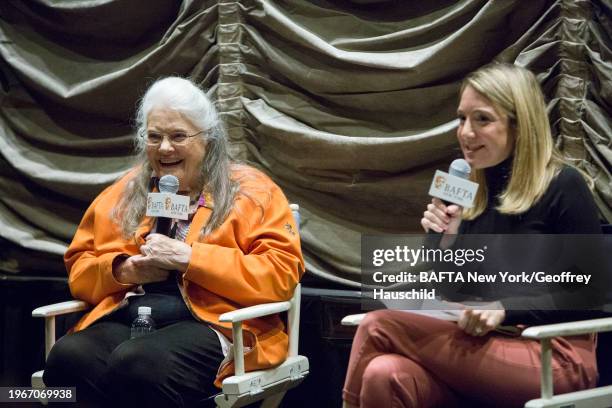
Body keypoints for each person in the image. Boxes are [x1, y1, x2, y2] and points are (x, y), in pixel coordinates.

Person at [342, 63, 603, 407]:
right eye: (461, 119)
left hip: (551, 353)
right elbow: (451, 291)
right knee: (383, 372)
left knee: (378, 325)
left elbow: (588, 294)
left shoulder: (563, 185)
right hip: (481, 348)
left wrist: (505, 309)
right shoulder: (466, 187)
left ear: (520, 125)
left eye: (482, 119)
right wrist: (445, 241)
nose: (465, 133)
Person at [43, 77, 304, 407]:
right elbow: (79, 270)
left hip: (217, 324)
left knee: (138, 363)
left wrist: (191, 258)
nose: (165, 148)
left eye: (178, 136)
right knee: (68, 357)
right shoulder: (122, 194)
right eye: (154, 137)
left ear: (207, 139)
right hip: (133, 315)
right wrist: (123, 270)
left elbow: (280, 277)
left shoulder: (253, 191)